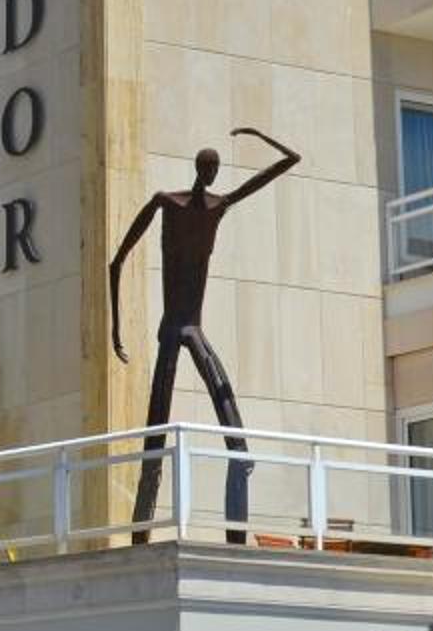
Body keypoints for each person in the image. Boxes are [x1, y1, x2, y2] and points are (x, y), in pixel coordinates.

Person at [110, 125, 299, 538]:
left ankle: (235, 539)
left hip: (193, 329)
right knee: (154, 441)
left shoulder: (219, 205)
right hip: (172, 329)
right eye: (210, 168)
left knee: (236, 437)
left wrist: (255, 133)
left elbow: (290, 161)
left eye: (216, 169)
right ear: (201, 169)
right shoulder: (167, 202)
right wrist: (115, 329)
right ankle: (141, 537)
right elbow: (117, 262)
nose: (213, 174)